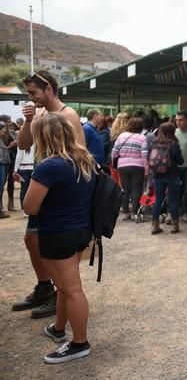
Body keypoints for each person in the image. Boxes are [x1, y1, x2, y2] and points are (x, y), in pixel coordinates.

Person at [23, 112, 96, 364]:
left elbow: (29, 207)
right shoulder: (84, 159)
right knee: (65, 285)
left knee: (71, 289)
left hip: (57, 233)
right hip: (80, 231)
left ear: (42, 137)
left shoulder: (49, 166)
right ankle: (58, 327)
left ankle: (79, 343)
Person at [12, 70, 85, 320]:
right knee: (31, 239)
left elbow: (80, 155)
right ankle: (47, 287)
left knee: (50, 244)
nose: (32, 99)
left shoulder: (68, 115)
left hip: (58, 189)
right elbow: (23, 145)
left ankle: (60, 293)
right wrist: (28, 122)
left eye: (34, 93)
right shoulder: (40, 114)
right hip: (43, 181)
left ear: (49, 89)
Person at [111, 117, 149, 222]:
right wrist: (146, 169)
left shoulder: (121, 136)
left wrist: (115, 164)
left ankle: (126, 212)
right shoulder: (142, 138)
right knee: (136, 189)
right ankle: (134, 213)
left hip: (122, 166)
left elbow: (114, 152)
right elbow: (144, 155)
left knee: (125, 189)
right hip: (138, 166)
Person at [149, 122, 184, 234]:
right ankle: (175, 225)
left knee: (158, 200)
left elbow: (149, 158)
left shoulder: (154, 143)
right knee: (173, 200)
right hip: (172, 175)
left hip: (157, 175)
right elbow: (180, 161)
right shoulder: (174, 144)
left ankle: (155, 225)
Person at [13, 142, 35, 212]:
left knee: (24, 189)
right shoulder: (35, 141)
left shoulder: (21, 142)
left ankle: (24, 208)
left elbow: (19, 156)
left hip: (23, 168)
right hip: (33, 167)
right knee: (31, 189)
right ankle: (31, 207)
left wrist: (15, 170)